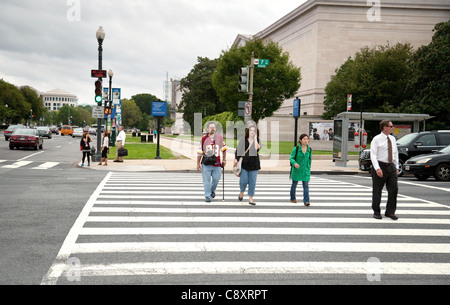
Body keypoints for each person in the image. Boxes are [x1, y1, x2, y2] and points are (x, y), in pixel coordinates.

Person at [370, 120, 399, 220]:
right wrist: (377, 168)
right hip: (380, 165)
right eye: (391, 126)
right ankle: (376, 211)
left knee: (394, 190)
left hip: (391, 166)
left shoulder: (392, 139)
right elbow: (373, 155)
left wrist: (396, 166)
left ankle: (390, 212)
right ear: (385, 127)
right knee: (377, 190)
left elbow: (395, 153)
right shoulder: (376, 139)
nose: (393, 128)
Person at [197, 122, 227, 202]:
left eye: (214, 127)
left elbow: (224, 149)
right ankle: (208, 196)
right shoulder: (203, 139)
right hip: (206, 163)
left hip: (217, 163)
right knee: (206, 181)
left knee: (216, 179)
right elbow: (200, 152)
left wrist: (224, 159)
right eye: (211, 127)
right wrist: (198, 163)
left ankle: (211, 190)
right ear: (207, 129)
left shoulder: (220, 138)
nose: (213, 129)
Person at [234, 125, 261, 206]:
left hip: (254, 164)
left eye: (254, 130)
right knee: (244, 181)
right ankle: (241, 192)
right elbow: (238, 150)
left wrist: (255, 138)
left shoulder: (257, 140)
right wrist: (236, 159)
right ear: (248, 132)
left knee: (252, 182)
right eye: (251, 130)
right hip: (244, 164)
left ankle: (250, 199)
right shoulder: (243, 140)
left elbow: (256, 148)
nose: (252, 132)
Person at [290, 134, 312, 206]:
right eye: (304, 139)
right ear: (300, 140)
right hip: (297, 170)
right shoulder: (296, 149)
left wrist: (308, 167)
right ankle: (293, 198)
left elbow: (309, 159)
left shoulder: (309, 149)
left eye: (307, 139)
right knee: (294, 185)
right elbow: (291, 158)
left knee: (306, 185)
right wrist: (294, 163)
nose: (306, 141)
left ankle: (306, 201)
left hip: (305, 170)